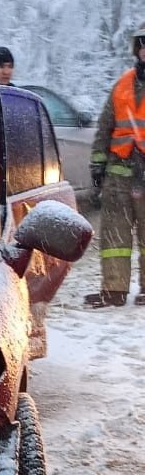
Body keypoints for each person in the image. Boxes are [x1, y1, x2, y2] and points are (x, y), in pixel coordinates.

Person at [85, 25, 145, 308]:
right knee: (114, 238)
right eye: (143, 45)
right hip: (118, 177)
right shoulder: (122, 86)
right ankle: (114, 290)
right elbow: (104, 128)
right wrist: (98, 166)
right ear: (137, 49)